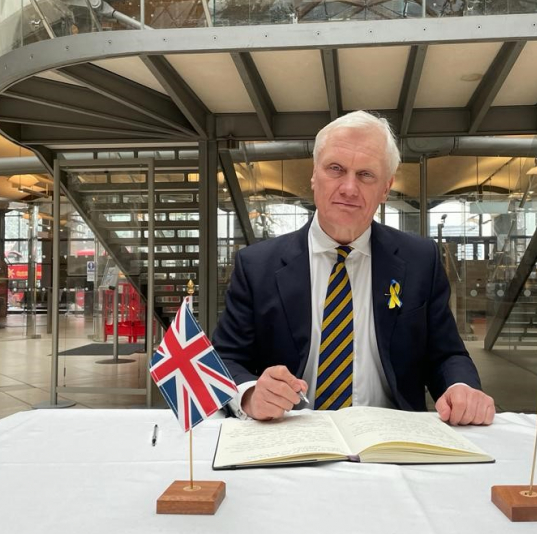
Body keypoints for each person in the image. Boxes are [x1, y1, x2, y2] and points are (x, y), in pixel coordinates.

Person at [212, 111, 495, 426]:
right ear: (314, 175)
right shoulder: (257, 265)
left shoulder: (420, 260)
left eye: (366, 175)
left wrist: (462, 389)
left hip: (392, 438)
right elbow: (225, 359)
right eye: (336, 169)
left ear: (385, 189)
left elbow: (446, 354)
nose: (348, 188)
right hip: (290, 435)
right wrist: (251, 394)